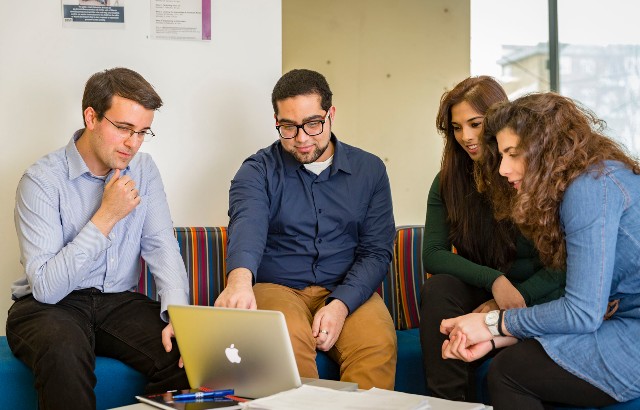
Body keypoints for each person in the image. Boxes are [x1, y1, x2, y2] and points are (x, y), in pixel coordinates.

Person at [440, 92, 640, 409]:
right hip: (619, 322)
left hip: (631, 334)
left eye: (513, 154)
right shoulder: (596, 176)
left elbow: (582, 313)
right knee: (510, 363)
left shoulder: (588, 190)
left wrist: (492, 324)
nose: (503, 169)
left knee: (508, 372)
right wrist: (494, 338)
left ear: (545, 150)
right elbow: (593, 307)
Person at [7, 67, 190, 410]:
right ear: (91, 117)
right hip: (48, 306)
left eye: (142, 132)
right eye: (123, 128)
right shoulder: (40, 181)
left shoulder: (144, 170)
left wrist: (179, 313)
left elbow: (161, 245)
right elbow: (47, 287)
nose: (133, 143)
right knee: (63, 352)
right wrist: (106, 216)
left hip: (116, 301)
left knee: (187, 354)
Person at [215, 68, 397, 390]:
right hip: (278, 287)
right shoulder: (257, 170)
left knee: (376, 343)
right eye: (288, 126)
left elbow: (376, 251)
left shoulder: (369, 170)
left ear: (331, 115)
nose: (301, 138)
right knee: (287, 341)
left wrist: (340, 304)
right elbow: (248, 223)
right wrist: (239, 282)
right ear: (276, 121)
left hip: (348, 284)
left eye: (313, 123)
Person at [419, 76, 565, 401]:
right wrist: (494, 281)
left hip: (534, 293)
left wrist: (505, 299)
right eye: (456, 128)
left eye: (475, 123)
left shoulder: (526, 173)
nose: (467, 137)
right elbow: (433, 254)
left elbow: (560, 265)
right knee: (439, 287)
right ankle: (449, 405)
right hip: (487, 288)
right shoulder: (446, 182)